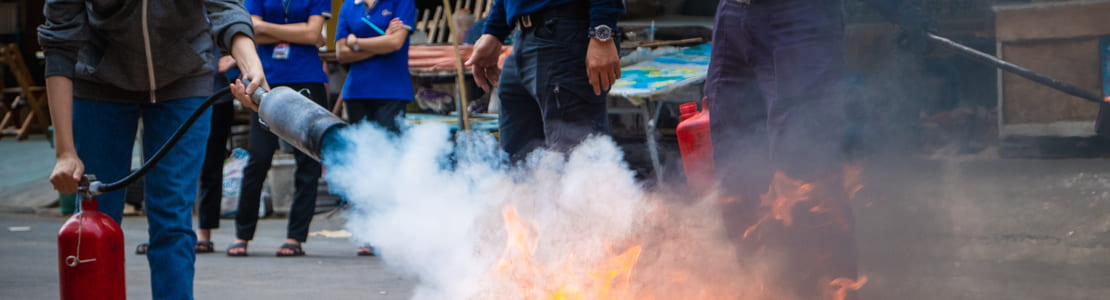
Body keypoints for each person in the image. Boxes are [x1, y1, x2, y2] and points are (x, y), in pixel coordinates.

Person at [704, 0, 933, 298]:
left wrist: (899, 7)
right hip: (732, 17)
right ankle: (763, 288)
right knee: (737, 175)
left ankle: (829, 290)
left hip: (799, 18)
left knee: (807, 174)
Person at [39, 0, 268, 299]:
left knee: (172, 218)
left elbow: (226, 7)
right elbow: (58, 41)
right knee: (96, 219)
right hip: (99, 83)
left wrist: (252, 67)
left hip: (183, 81)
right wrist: (65, 153)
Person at [226, 0, 332, 257]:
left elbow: (312, 33)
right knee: (259, 158)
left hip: (307, 77)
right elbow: (251, 29)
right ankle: (243, 233)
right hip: (267, 77)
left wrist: (266, 28)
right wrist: (301, 33)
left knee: (307, 161)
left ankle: (295, 237)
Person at [466, 0, 625, 161]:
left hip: (565, 34)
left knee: (579, 163)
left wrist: (602, 32)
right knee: (519, 165)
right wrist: (493, 31)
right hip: (521, 38)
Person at [334, 0, 416, 256]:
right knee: (362, 161)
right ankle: (366, 232)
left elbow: (395, 43)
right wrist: (379, 43)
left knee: (389, 158)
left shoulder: (403, 3)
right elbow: (340, 53)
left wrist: (356, 42)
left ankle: (390, 230)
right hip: (357, 91)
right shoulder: (349, 5)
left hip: (392, 90)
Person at [195, 54, 240, 254]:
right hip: (174, 95)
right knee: (173, 167)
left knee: (210, 166)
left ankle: (204, 231)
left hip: (216, 94)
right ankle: (168, 231)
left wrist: (236, 57)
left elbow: (249, 31)